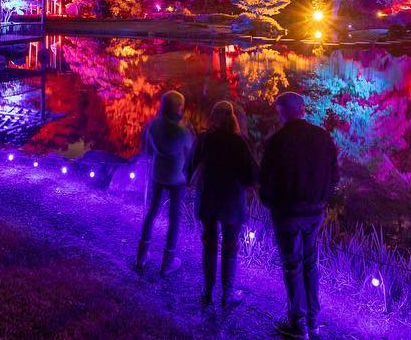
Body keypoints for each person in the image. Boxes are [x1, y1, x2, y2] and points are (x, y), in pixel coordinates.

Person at [260, 92, 339, 340]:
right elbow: (334, 176)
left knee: (292, 265)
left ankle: (298, 323)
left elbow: (265, 181)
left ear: (281, 112)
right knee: (310, 263)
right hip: (313, 211)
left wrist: (271, 203)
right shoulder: (322, 137)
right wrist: (322, 200)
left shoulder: (276, 141)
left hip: (285, 213)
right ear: (303, 110)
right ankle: (313, 321)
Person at [186, 100, 257, 309]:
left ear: (212, 117)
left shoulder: (204, 140)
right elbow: (251, 175)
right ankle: (227, 294)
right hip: (232, 200)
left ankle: (206, 292)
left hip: (208, 197)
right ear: (235, 119)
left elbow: (189, 168)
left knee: (209, 243)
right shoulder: (239, 143)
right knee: (230, 246)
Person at [136, 90, 193, 276]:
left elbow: (149, 151)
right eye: (181, 107)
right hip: (177, 178)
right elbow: (189, 156)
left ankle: (142, 256)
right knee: (174, 218)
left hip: (158, 174)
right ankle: (167, 262)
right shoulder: (182, 132)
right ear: (177, 108)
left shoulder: (153, 125)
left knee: (152, 211)